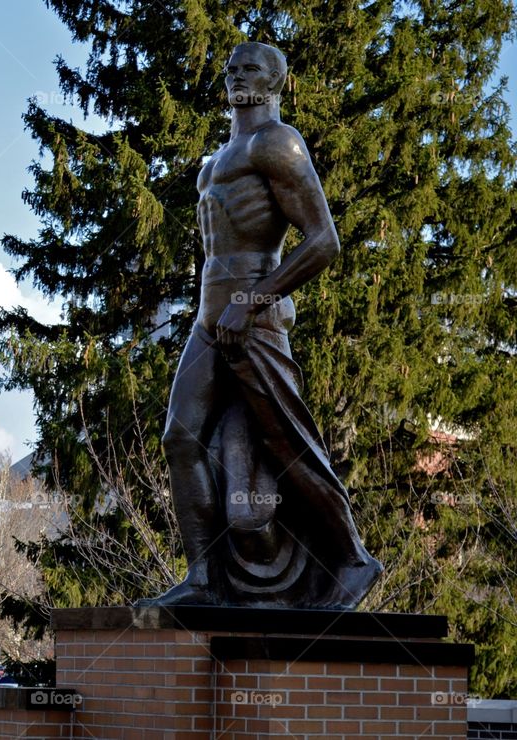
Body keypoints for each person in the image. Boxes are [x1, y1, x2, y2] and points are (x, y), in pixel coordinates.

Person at [140, 42, 382, 609]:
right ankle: (202, 579)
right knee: (181, 437)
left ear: (275, 80)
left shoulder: (278, 142)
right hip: (210, 315)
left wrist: (251, 301)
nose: (235, 75)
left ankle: (352, 558)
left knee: (287, 440)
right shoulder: (214, 162)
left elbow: (324, 242)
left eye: (249, 67)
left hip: (253, 315)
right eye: (229, 67)